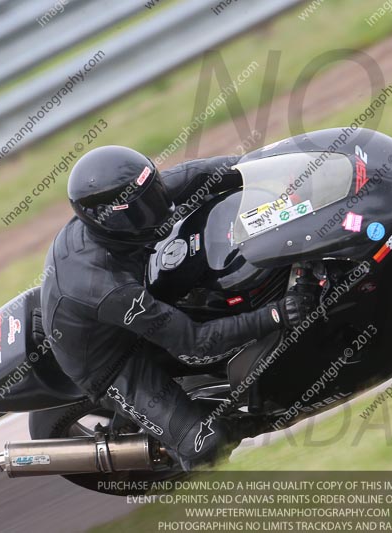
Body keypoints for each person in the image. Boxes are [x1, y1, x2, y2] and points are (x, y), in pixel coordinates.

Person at [40, 145, 313, 470]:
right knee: (206, 445)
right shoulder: (105, 285)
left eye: (153, 195)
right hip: (111, 361)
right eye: (142, 211)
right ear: (111, 223)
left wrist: (270, 167)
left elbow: (203, 173)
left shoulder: (134, 199)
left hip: (130, 293)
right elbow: (194, 340)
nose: (160, 211)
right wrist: (278, 314)